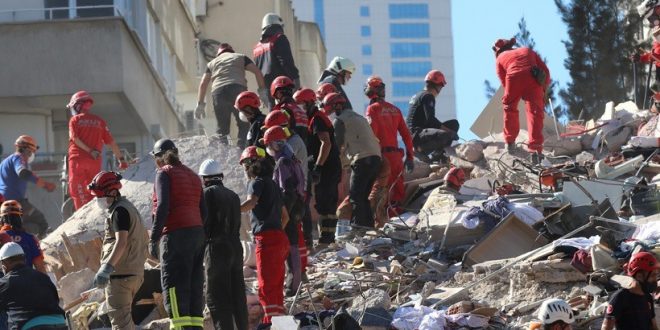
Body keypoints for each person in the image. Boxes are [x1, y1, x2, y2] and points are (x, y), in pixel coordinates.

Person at [149, 139, 206, 329]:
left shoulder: (163, 173)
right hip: (197, 234)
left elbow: (163, 206)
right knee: (194, 287)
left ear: (159, 158)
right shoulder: (192, 175)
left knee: (173, 287)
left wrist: (154, 238)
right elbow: (203, 211)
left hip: (175, 235)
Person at [89, 171, 147, 330]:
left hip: (121, 277)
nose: (98, 200)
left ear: (113, 192)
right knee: (125, 323)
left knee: (121, 326)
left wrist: (106, 268)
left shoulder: (119, 212)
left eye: (100, 196)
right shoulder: (129, 208)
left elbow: (121, 241)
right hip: (132, 274)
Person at [238, 146, 289, 326]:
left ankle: (269, 325)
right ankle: (281, 325)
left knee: (266, 287)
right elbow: (286, 216)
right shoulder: (273, 184)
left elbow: (251, 202)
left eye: (245, 165)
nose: (244, 170)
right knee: (276, 288)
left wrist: (231, 209)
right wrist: (275, 230)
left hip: (266, 240)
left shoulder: (256, 182)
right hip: (280, 238)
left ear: (251, 164)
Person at [198, 159, 248, 330]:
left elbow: (203, 224)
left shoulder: (206, 194)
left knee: (218, 297)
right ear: (221, 176)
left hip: (216, 248)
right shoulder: (233, 196)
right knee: (237, 295)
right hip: (235, 246)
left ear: (204, 178)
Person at [324, 93, 382, 235]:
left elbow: (336, 146)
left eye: (331, 110)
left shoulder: (340, 120)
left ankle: (358, 228)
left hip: (362, 159)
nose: (331, 114)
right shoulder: (359, 117)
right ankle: (368, 228)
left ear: (338, 106)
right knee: (363, 196)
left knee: (356, 196)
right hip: (375, 159)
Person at [196, 43, 269, 149]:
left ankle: (224, 152)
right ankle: (242, 150)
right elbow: (257, 71)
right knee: (243, 123)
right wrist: (262, 92)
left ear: (219, 54)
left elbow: (203, 83)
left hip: (218, 93)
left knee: (222, 128)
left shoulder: (212, 63)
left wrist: (200, 104)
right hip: (237, 90)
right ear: (231, 52)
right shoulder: (240, 57)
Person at [67, 91, 128, 210]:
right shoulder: (99, 121)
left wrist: (89, 150)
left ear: (77, 105)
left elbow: (74, 138)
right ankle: (92, 215)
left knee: (77, 190)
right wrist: (122, 160)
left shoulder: (74, 120)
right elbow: (111, 143)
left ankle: (81, 218)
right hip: (94, 162)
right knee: (93, 190)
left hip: (77, 160)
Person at [263, 126, 306, 296]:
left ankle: (292, 286)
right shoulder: (292, 159)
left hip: (290, 207)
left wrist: (283, 214)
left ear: (275, 145)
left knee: (290, 246)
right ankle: (294, 283)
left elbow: (287, 190)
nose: (268, 149)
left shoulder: (282, 162)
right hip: (297, 206)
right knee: (293, 244)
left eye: (269, 145)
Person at [493, 37, 550, 163]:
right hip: (533, 78)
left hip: (513, 78)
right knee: (534, 114)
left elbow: (504, 82)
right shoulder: (526, 50)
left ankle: (510, 142)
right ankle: (536, 151)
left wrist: (516, 92)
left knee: (509, 108)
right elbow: (545, 71)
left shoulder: (499, 59)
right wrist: (542, 90)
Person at [364, 76, 415, 214]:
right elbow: (406, 136)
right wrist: (410, 157)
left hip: (382, 157)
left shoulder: (372, 109)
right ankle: (396, 219)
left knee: (381, 191)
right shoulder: (395, 110)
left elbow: (371, 134)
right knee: (397, 192)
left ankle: (382, 222)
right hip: (397, 158)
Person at [0, 242, 66, 330]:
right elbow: (55, 300)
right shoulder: (43, 277)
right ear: (24, 259)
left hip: (31, 327)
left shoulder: (4, 283)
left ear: (4, 263)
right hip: (60, 324)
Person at [306, 89, 342, 246]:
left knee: (326, 203)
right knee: (325, 203)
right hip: (330, 167)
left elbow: (325, 143)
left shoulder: (317, 119)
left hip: (327, 168)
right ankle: (327, 238)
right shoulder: (316, 117)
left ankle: (326, 240)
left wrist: (318, 167)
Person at [0, 136, 55, 238]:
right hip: (16, 202)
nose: (32, 154)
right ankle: (42, 248)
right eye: (32, 151)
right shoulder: (18, 158)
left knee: (16, 227)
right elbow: (23, 173)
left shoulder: (4, 162)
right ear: (27, 150)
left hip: (3, 203)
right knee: (41, 222)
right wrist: (45, 184)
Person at [405, 70, 460, 163]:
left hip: (417, 133)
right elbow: (431, 120)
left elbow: (428, 121)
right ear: (437, 86)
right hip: (417, 135)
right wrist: (449, 132)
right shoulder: (427, 96)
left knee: (454, 124)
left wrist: (450, 130)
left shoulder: (419, 95)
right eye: (441, 87)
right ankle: (420, 150)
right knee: (445, 135)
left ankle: (438, 155)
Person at [602, 251, 660, 330]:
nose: (655, 280)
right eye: (653, 275)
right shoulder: (620, 298)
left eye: (656, 276)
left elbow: (654, 325)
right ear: (639, 276)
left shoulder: (648, 298)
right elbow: (606, 327)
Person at [253, 13, 300, 107]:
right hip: (283, 87)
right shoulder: (279, 38)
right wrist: (295, 79)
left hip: (268, 90)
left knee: (274, 117)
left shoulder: (256, 48)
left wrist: (262, 90)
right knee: (288, 114)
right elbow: (286, 62)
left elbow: (258, 72)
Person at [0, 200, 46, 274]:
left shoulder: (1, 238)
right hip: (28, 281)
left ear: (1, 219)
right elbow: (40, 267)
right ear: (20, 217)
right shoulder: (30, 238)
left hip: (4, 283)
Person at [270, 76, 309, 143]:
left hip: (289, 150)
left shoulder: (283, 109)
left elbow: (277, 133)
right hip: (304, 150)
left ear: (278, 93)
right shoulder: (300, 110)